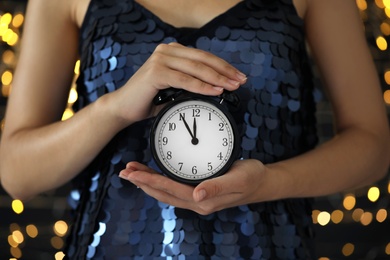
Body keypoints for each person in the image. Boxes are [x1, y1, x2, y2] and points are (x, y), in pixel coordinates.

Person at [1, 0, 389, 258]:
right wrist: (115, 108)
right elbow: (17, 173)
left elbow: (373, 146)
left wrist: (269, 183)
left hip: (271, 248)